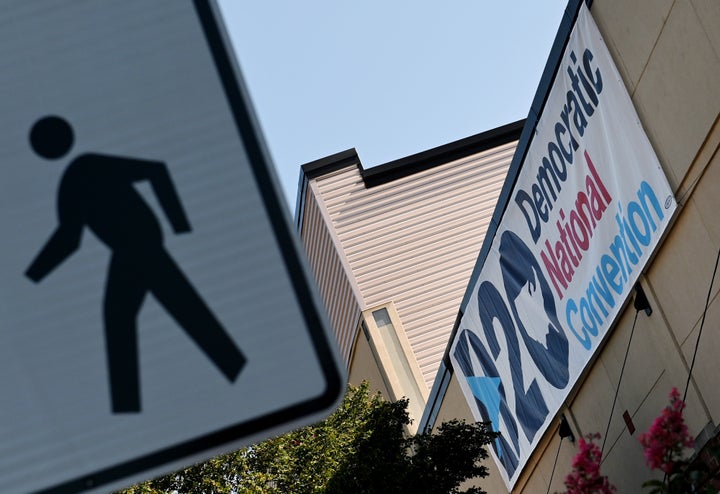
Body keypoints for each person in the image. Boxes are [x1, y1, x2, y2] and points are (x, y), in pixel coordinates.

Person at [25, 115, 246, 413]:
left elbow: (155, 170)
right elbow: (69, 238)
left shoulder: (85, 168)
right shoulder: (73, 180)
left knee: (140, 314)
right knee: (171, 310)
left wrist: (180, 225)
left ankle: (128, 406)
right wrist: (31, 277)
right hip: (131, 250)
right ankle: (230, 367)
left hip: (139, 246)